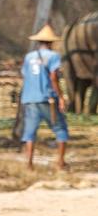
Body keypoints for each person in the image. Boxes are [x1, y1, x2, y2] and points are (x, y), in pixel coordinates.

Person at [20, 23, 69, 170]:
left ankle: (29, 164)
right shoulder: (53, 56)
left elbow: (24, 74)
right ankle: (60, 162)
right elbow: (53, 77)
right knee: (61, 129)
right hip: (48, 99)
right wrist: (60, 97)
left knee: (30, 132)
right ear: (51, 43)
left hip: (29, 99)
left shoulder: (29, 57)